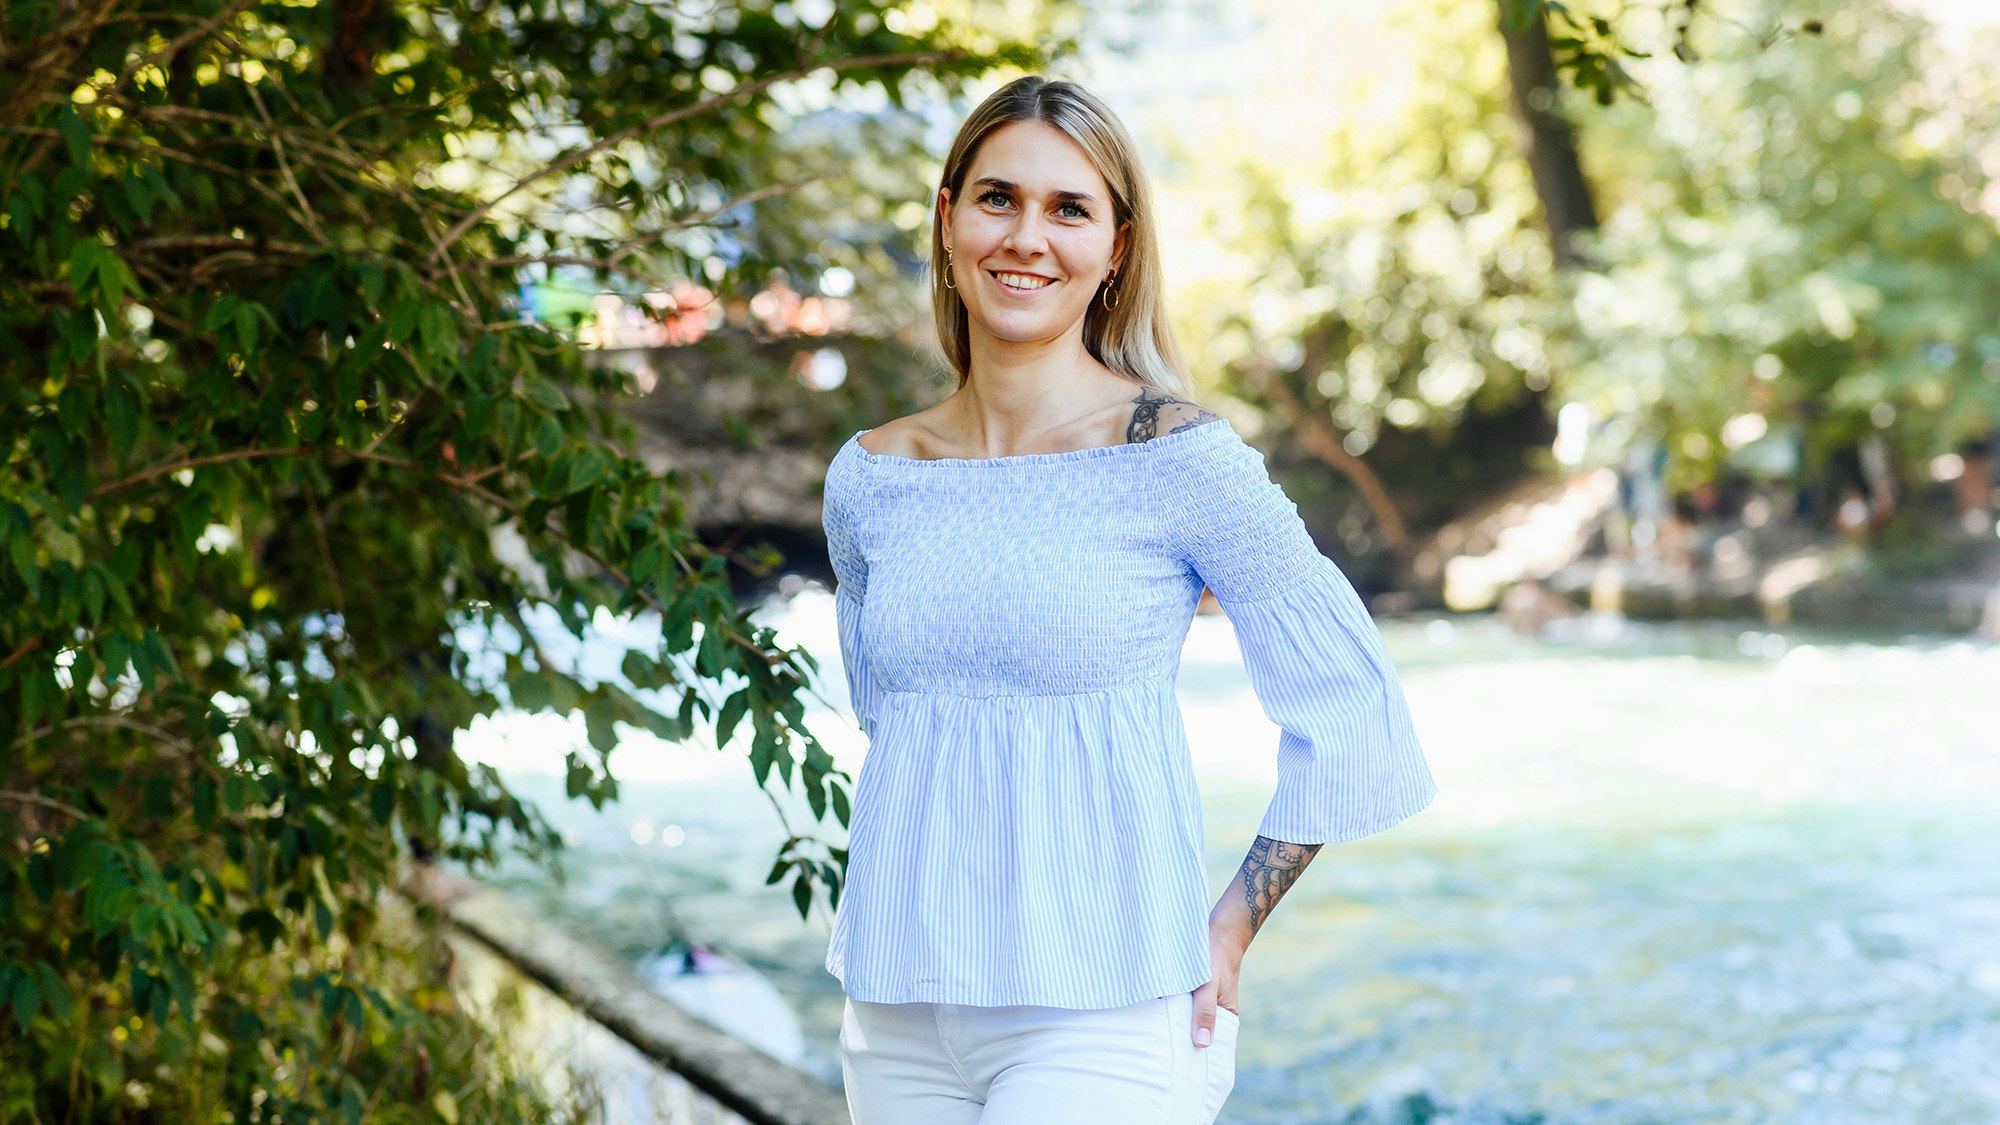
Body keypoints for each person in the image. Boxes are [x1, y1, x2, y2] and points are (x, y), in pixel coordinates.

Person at [819, 75, 1438, 1125]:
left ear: (1114, 250)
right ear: (947, 218)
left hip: (1102, 1013)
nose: (1025, 236)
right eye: (996, 198)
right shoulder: (872, 474)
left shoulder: (1175, 458)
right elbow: (895, 720)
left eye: (1068, 209)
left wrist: (1229, 927)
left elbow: (1350, 706)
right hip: (895, 1008)